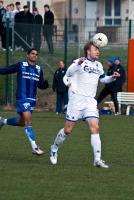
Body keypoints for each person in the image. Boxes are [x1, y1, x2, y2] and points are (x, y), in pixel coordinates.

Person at [50, 41, 120, 168]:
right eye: (95, 49)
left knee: (95, 128)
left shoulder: (99, 65)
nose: (98, 51)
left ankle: (97, 159)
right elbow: (69, 74)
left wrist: (112, 77)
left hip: (90, 102)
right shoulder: (79, 61)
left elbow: (103, 79)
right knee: (68, 130)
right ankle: (54, 148)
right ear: (88, 51)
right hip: (76, 100)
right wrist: (77, 63)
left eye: (98, 49)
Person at [0, 48, 49, 155]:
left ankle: (3, 121)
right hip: (22, 98)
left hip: (32, 100)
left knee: (22, 122)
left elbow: (40, 84)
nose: (34, 55)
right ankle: (34, 147)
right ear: (28, 55)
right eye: (32, 53)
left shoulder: (39, 69)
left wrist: (45, 84)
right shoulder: (21, 65)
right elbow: (6, 70)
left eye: (36, 54)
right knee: (28, 120)